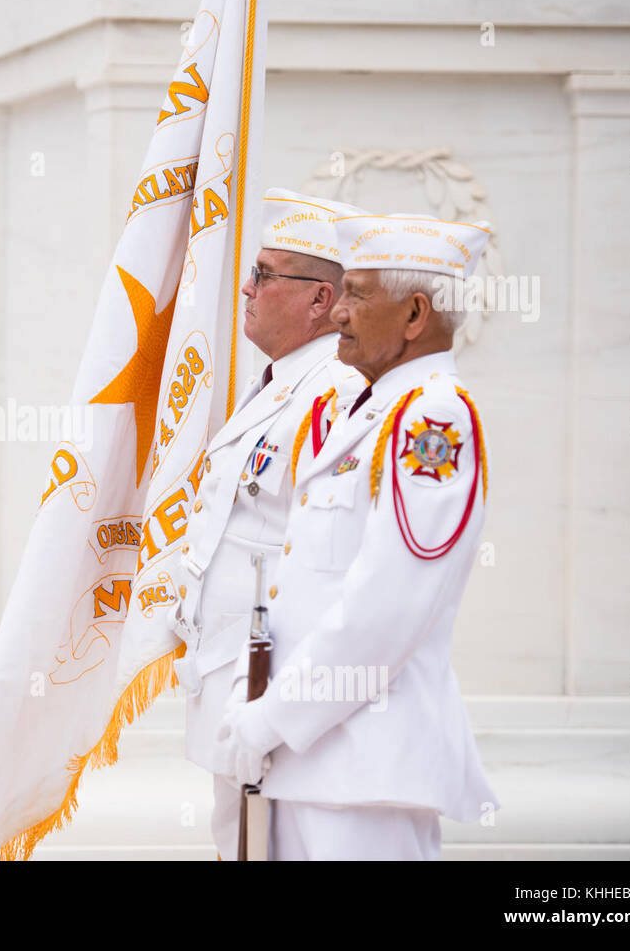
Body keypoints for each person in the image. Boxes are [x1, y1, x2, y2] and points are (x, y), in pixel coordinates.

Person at [216, 212, 500, 859]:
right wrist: (249, 697)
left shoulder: (433, 415)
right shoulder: (363, 414)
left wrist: (270, 719)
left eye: (358, 294)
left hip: (366, 764)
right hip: (308, 758)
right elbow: (295, 584)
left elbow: (389, 607)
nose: (337, 312)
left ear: (414, 315)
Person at [171, 189, 365, 860]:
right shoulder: (278, 381)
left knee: (276, 849)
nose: (247, 288)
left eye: (266, 274)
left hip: (271, 678)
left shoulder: (332, 394)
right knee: (243, 846)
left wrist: (279, 700)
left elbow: (327, 558)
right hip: (233, 671)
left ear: (320, 301)